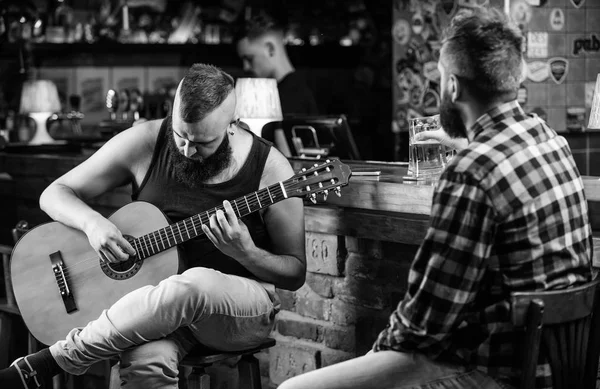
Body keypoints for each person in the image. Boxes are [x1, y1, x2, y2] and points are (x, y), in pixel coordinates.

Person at [279, 7, 592, 389]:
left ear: (454, 87)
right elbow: (502, 162)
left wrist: (374, 360)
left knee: (296, 388)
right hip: (556, 369)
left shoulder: (471, 172)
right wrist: (467, 144)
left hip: (493, 374)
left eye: (442, 78)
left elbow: (425, 321)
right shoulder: (549, 141)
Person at [1, 63, 306, 388]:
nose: (187, 151)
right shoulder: (147, 140)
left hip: (241, 310)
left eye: (202, 143)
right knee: (144, 360)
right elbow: (54, 194)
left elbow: (294, 273)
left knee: (193, 284)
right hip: (155, 310)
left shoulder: (271, 169)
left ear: (233, 124)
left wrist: (247, 253)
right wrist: (93, 224)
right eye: (180, 136)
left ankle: (56, 360)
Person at [236, 10, 318, 116]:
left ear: (270, 49)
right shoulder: (295, 90)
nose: (245, 67)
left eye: (249, 59)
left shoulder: (291, 98)